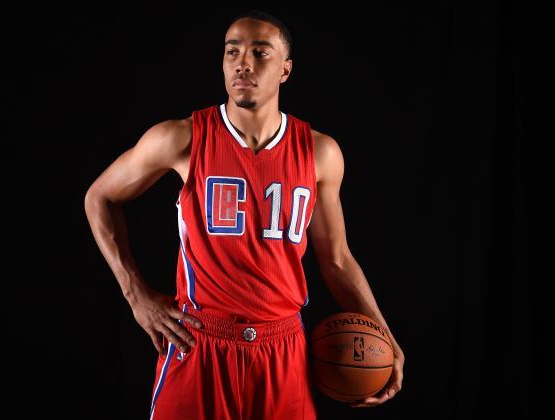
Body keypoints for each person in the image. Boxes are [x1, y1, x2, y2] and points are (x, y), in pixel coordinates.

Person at [84, 9, 404, 419]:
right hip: (199, 343)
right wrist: (136, 296)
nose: (242, 63)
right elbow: (99, 197)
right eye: (232, 51)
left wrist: (385, 336)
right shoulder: (181, 138)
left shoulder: (319, 153)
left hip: (283, 351)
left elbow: (337, 260)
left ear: (285, 70)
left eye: (260, 52)